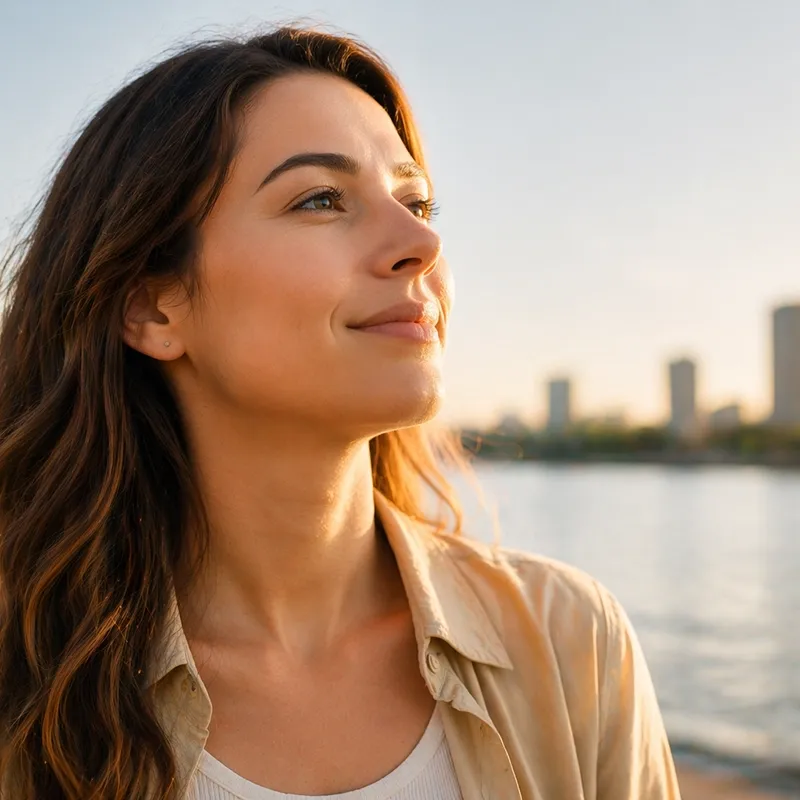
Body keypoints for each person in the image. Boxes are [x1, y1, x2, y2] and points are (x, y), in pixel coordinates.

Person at [0, 25, 681, 800]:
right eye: (321, 199)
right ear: (153, 306)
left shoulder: (571, 642)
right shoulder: (25, 680)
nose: (421, 241)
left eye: (417, 200)